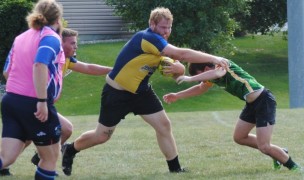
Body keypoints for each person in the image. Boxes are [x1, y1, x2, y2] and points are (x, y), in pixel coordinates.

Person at [61, 7, 229, 176]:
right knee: (102, 136)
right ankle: (70, 149)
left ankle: (175, 169)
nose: (166, 31)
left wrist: (178, 69)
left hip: (142, 93)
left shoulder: (161, 45)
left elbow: (175, 72)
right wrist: (214, 59)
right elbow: (182, 53)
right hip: (116, 93)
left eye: (169, 27)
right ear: (152, 24)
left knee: (164, 125)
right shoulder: (146, 37)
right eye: (163, 27)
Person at [0, 28, 112, 176]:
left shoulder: (66, 59)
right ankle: (43, 161)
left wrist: (113, 69)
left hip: (37, 104)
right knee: (47, 133)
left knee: (61, 130)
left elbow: (88, 67)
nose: (75, 46)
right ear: (61, 42)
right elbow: (14, 72)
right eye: (72, 43)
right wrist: (30, 95)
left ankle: (36, 160)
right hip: (33, 103)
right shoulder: (47, 54)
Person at [163, 61, 302, 171]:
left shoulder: (221, 64)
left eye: (201, 76)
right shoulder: (211, 76)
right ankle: (278, 152)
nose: (202, 80)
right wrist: (177, 95)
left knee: (264, 146)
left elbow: (217, 73)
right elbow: (200, 88)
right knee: (239, 137)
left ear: (205, 69)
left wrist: (189, 78)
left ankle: (294, 167)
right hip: (251, 104)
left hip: (264, 100)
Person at [0, 0, 64, 179]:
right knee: (50, 157)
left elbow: (6, 71)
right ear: (58, 19)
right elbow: (39, 64)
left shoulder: (20, 37)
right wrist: (42, 101)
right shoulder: (50, 37)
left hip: (10, 100)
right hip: (34, 104)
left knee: (6, 157)